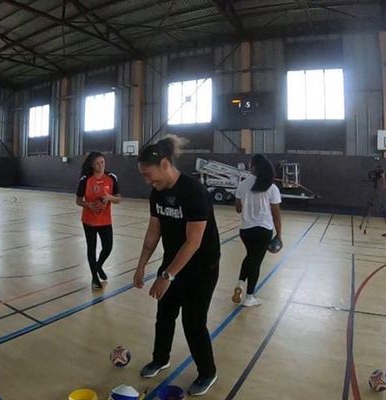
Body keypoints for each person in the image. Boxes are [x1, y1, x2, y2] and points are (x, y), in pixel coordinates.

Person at [133, 135, 221, 396]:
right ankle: (161, 359)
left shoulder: (194, 192)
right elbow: (153, 234)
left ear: (164, 163)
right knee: (164, 315)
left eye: (149, 175)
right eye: (143, 177)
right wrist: (141, 266)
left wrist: (167, 276)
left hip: (201, 267)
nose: (147, 181)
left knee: (193, 324)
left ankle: (208, 372)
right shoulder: (156, 195)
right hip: (172, 264)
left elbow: (193, 243)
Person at [232, 154, 282, 307]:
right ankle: (249, 297)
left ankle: (240, 283)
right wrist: (279, 234)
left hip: (246, 230)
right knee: (255, 262)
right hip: (263, 230)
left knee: (250, 257)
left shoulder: (242, 185)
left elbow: (238, 209)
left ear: (254, 166)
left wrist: (247, 204)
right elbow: (276, 215)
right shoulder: (272, 188)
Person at [76, 152, 121, 289]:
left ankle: (98, 265)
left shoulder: (111, 177)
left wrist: (109, 198)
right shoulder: (85, 179)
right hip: (89, 220)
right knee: (92, 248)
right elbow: (78, 200)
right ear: (92, 165)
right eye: (97, 163)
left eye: (103, 162)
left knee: (108, 247)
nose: (101, 165)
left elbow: (118, 199)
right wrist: (88, 205)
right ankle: (94, 278)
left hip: (105, 220)